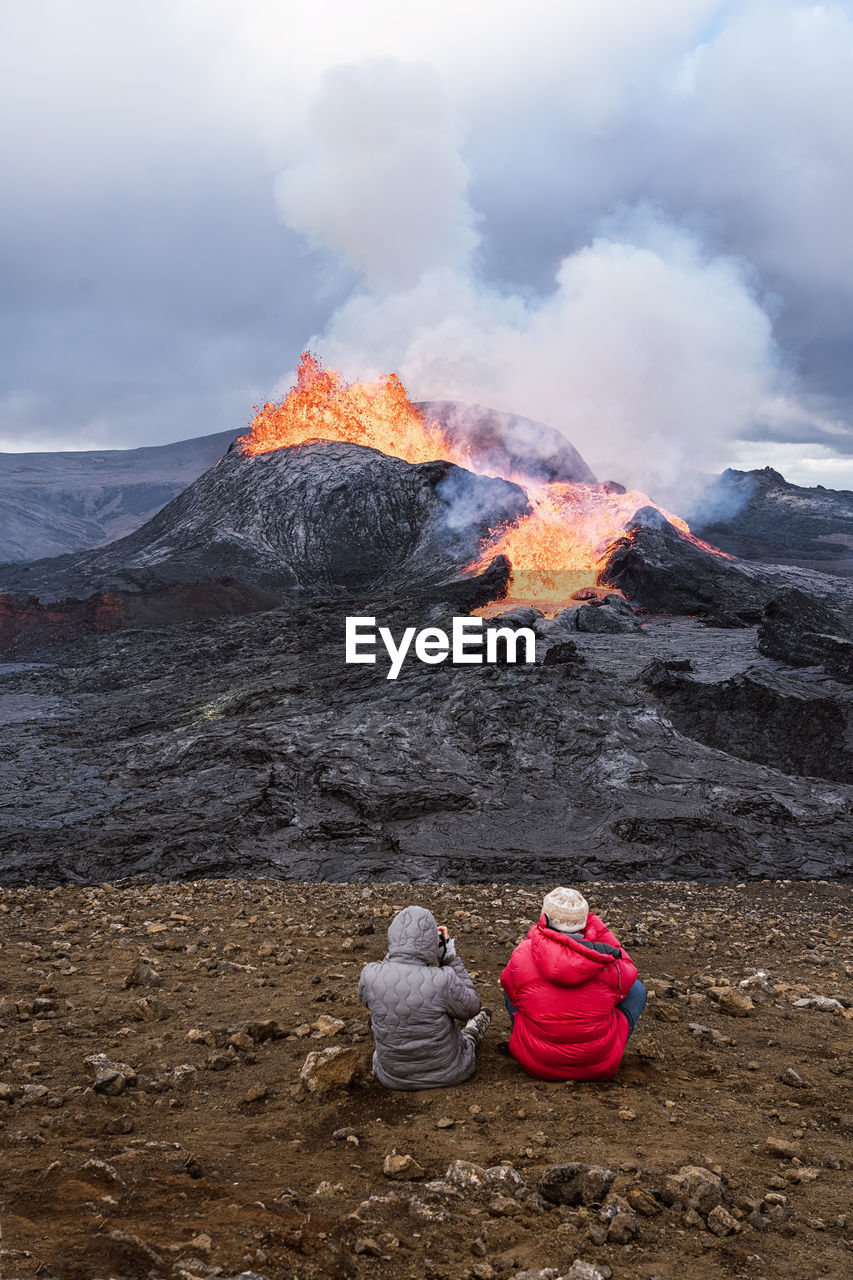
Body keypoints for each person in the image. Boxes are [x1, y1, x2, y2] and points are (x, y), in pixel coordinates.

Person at [500, 887, 646, 1081]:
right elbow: (628, 968)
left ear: (544, 917)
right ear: (584, 922)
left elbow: (509, 987)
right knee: (636, 989)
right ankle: (597, 1049)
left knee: (514, 981)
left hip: (537, 1064)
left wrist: (536, 934)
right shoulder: (605, 959)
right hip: (599, 1066)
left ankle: (533, 1039)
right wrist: (597, 927)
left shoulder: (524, 952)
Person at [358, 905, 492, 1090]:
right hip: (448, 1072)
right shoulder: (443, 978)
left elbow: (366, 1000)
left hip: (391, 1076)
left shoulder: (369, 974)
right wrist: (449, 956)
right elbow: (472, 1007)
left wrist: (398, 954)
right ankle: (471, 1034)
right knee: (463, 1033)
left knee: (382, 1012)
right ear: (431, 942)